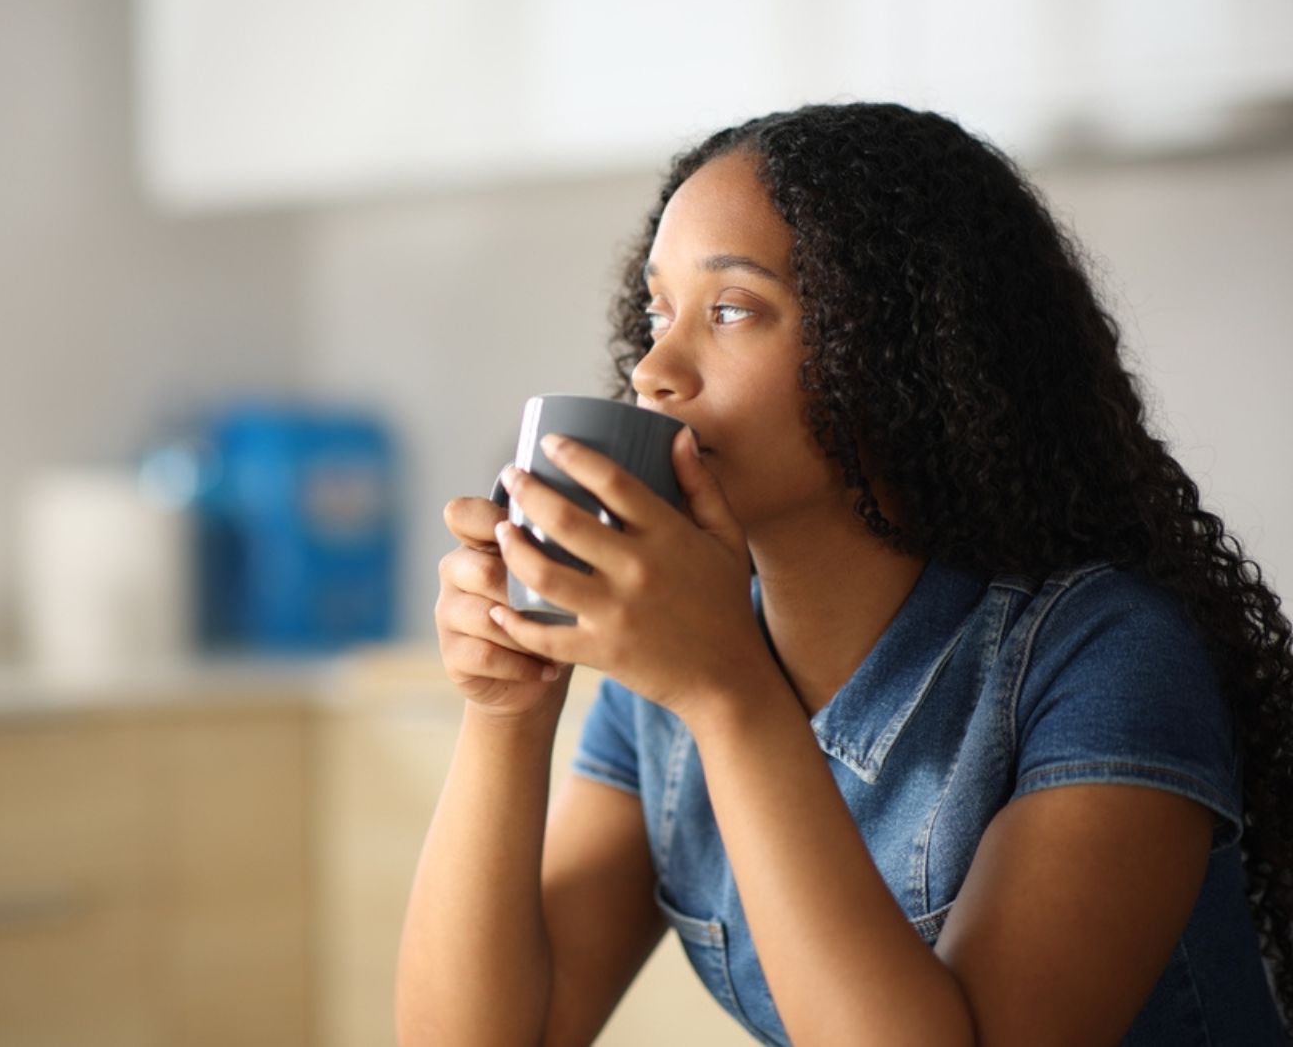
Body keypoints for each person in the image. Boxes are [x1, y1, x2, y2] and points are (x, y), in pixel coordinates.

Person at [397, 103, 1292, 1045]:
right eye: (659, 313)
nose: (654, 370)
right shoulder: (670, 676)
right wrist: (507, 709)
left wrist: (732, 695)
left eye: (732, 310)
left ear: (897, 351)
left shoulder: (1108, 656)